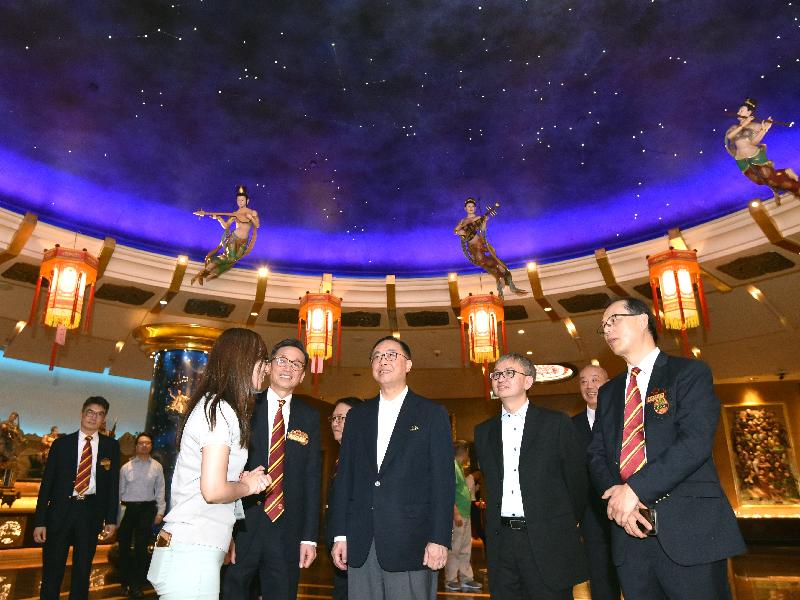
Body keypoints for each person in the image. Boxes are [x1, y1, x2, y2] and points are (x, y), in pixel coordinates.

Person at [588, 298, 746, 599]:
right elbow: (596, 453)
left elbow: (694, 443)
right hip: (629, 531)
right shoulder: (609, 393)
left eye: (613, 320)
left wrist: (634, 489)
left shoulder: (688, 373)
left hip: (689, 530)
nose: (607, 330)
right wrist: (617, 496)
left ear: (643, 320)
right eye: (603, 326)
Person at [147, 328, 272, 599]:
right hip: (191, 549)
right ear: (243, 361)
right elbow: (213, 490)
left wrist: (226, 533)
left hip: (194, 546)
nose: (266, 369)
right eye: (262, 360)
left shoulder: (216, 407)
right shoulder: (219, 411)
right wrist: (246, 485)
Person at [330, 336, 454, 600]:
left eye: (390, 355)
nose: (382, 361)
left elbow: (443, 483)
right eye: (376, 356)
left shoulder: (431, 414)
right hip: (362, 541)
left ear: (408, 365)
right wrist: (340, 534)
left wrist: (439, 538)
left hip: (413, 542)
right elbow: (345, 481)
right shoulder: (357, 417)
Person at [474, 353, 588, 599]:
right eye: (496, 374)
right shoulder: (483, 432)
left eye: (509, 373)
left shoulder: (556, 423)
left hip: (548, 539)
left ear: (528, 381)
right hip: (501, 541)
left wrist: (560, 521)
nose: (500, 378)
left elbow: (577, 482)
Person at [222, 338, 322, 600]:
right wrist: (225, 532)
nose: (288, 367)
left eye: (296, 364)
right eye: (282, 360)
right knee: (233, 591)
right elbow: (226, 469)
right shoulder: (243, 407)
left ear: (302, 375)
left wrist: (309, 538)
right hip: (243, 523)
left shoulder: (309, 417)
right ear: (268, 366)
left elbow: (312, 479)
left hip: (287, 528)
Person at [33, 397, 121, 600]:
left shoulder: (111, 447)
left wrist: (111, 519)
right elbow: (46, 485)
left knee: (83, 570)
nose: (93, 417)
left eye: (99, 414)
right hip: (59, 512)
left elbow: (112, 486)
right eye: (90, 412)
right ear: (82, 414)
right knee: (52, 568)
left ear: (103, 419)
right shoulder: (61, 444)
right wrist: (40, 521)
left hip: (90, 513)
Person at [572, 365, 621, 600]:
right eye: (583, 381)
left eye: (595, 380)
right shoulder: (570, 427)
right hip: (591, 516)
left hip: (629, 508)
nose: (589, 386)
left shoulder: (627, 419)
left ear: (608, 383)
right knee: (600, 579)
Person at [118, 432, 166, 598]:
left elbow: (160, 490)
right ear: (136, 446)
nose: (144, 446)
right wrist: (115, 517)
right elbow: (119, 492)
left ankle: (137, 584)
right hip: (128, 510)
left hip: (147, 510)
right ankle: (124, 581)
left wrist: (160, 511)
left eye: (148, 443)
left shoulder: (157, 467)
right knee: (123, 547)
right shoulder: (126, 467)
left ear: (151, 446)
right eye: (141, 443)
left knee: (140, 549)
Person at [725, 97, 800, 206]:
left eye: (741, 110)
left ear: (749, 112)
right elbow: (730, 137)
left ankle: (787, 174)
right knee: (759, 181)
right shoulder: (734, 127)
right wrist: (743, 125)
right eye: (739, 110)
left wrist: (764, 129)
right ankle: (785, 175)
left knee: (770, 178)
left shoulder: (756, 126)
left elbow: (754, 142)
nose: (738, 112)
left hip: (754, 155)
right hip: (741, 160)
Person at [325, 397, 362, 600]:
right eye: (333, 418)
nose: (336, 422)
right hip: (339, 547)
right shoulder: (341, 456)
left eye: (342, 418)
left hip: (354, 547)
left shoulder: (363, 459)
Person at [454, 198, 527, 298]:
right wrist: (459, 231)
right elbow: (456, 231)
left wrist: (484, 222)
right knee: (488, 264)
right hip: (473, 249)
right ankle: (503, 282)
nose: (471, 208)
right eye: (468, 206)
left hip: (480, 245)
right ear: (465, 208)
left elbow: (483, 230)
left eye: (472, 206)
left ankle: (505, 285)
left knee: (498, 266)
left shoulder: (478, 218)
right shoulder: (463, 221)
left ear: (475, 208)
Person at [191, 184, 260, 285]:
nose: (240, 202)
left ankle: (203, 273)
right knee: (230, 258)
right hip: (234, 238)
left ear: (247, 201)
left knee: (231, 260)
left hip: (244, 242)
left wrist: (252, 218)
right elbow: (226, 226)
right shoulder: (235, 214)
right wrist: (219, 218)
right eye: (238, 200)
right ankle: (207, 272)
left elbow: (257, 225)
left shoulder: (252, 212)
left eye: (242, 200)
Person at [444, 440, 482, 592]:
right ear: (465, 451)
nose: (468, 456)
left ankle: (466, 578)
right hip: (458, 516)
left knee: (466, 548)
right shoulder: (452, 466)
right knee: (455, 548)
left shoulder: (459, 467)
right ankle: (451, 579)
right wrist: (456, 513)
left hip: (465, 514)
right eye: (468, 452)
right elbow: (448, 492)